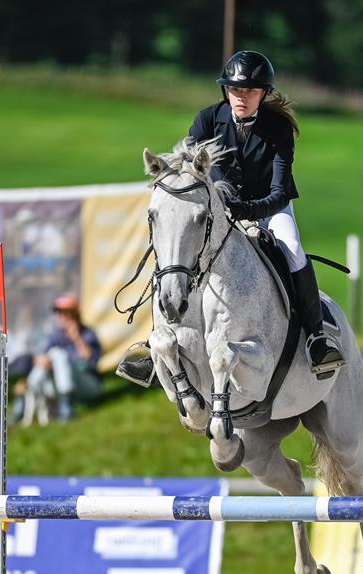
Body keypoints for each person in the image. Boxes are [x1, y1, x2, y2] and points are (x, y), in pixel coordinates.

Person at [117, 50, 344, 386]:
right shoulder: (207, 119)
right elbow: (189, 171)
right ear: (226, 90)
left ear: (263, 93)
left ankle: (316, 338)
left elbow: (280, 190)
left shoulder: (278, 128)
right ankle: (153, 347)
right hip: (219, 211)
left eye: (251, 91)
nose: (242, 97)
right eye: (236, 90)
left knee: (292, 248)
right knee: (180, 253)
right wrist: (220, 204)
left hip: (269, 208)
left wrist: (250, 210)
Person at [23, 294, 102, 424]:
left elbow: (90, 360)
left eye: (65, 313)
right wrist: (44, 361)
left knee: (58, 355)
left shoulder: (87, 333)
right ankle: (61, 406)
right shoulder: (55, 335)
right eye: (59, 313)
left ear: (75, 314)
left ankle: (29, 396)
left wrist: (76, 338)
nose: (62, 317)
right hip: (64, 385)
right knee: (53, 357)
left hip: (88, 384)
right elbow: (40, 360)